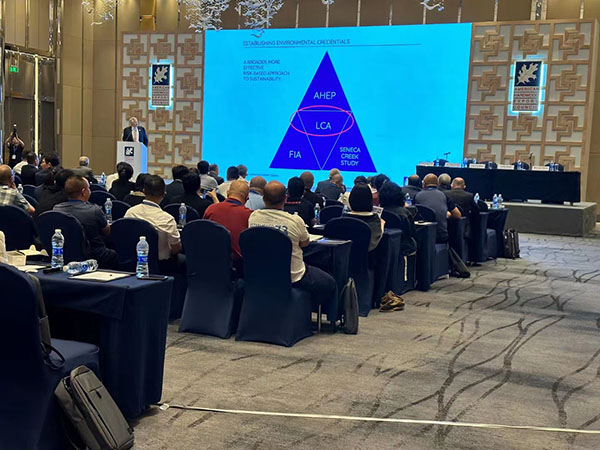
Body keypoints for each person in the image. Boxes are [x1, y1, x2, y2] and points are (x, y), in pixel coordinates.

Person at [249, 181, 336, 312]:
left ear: (263, 198)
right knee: (330, 282)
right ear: (285, 198)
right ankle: (314, 314)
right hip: (293, 276)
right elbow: (305, 243)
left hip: (261, 273)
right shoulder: (295, 220)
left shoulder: (253, 217)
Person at [54, 176, 119, 269]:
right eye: (89, 188)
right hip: (95, 255)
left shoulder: (57, 209)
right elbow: (107, 232)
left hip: (67, 253)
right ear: (84, 192)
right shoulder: (94, 211)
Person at [124, 175, 184, 274]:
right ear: (164, 194)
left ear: (143, 191)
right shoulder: (167, 219)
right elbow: (176, 249)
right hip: (163, 266)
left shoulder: (130, 213)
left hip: (133, 263)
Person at [204, 180, 251, 268]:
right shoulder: (249, 215)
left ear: (228, 193)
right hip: (236, 266)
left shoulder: (211, 209)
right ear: (247, 197)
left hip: (208, 261)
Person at [414, 174, 461, 243]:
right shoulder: (444, 195)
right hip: (441, 236)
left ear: (423, 184)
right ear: (437, 184)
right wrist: (446, 214)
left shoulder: (417, 196)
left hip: (421, 236)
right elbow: (458, 215)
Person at [378, 181, 417, 255]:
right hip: (403, 248)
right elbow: (411, 233)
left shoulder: (379, 212)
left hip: (382, 247)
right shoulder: (404, 213)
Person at [346, 183, 384, 252]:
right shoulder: (374, 219)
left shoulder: (342, 219)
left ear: (350, 199)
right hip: (366, 257)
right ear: (370, 200)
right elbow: (375, 240)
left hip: (342, 257)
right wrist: (382, 225)